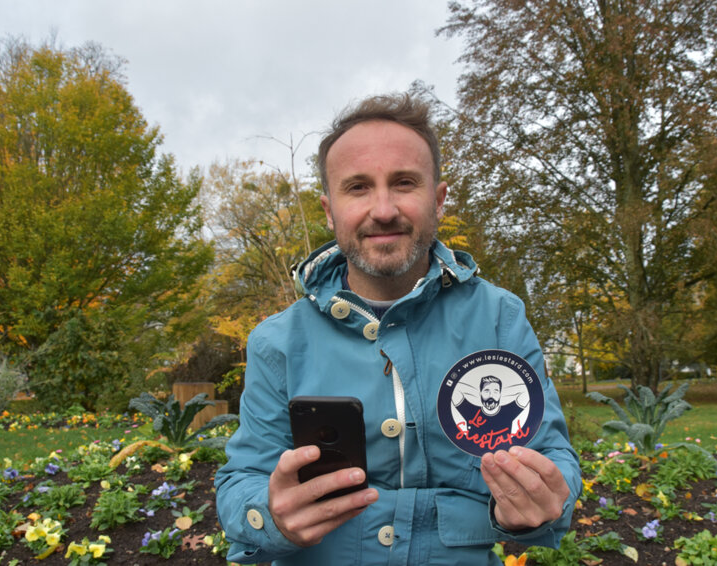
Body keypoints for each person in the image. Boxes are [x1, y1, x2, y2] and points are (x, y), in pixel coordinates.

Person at [215, 93, 581, 565]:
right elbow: (240, 480)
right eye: (358, 187)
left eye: (404, 183)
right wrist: (269, 513)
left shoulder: (500, 319)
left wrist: (544, 500)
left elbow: (553, 456)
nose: (383, 209)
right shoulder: (276, 343)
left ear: (438, 199)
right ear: (329, 211)